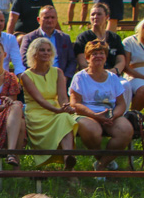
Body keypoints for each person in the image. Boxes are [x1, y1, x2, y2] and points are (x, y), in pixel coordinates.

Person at [69, 40, 133, 171]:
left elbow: (121, 103)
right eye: (94, 54)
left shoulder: (112, 77)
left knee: (126, 130)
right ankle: (102, 159)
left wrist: (113, 116)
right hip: (86, 113)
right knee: (93, 131)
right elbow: (75, 103)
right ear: (87, 58)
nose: (98, 56)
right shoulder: (80, 77)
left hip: (110, 114)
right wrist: (95, 115)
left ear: (106, 57)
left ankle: (102, 165)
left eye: (101, 53)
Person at [20, 37, 79, 168]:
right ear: (34, 53)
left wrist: (66, 107)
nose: (46, 53)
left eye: (48, 50)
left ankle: (68, 159)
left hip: (56, 110)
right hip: (37, 113)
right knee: (62, 117)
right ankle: (67, 161)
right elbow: (39, 100)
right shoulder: (26, 76)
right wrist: (57, 111)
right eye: (42, 50)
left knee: (65, 118)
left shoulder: (58, 72)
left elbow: (63, 97)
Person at [19, 6, 77, 81]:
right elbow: (24, 60)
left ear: (57, 19)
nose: (50, 20)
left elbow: (72, 61)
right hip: (36, 79)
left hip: (61, 79)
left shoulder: (64, 38)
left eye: (53, 17)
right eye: (46, 18)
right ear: (38, 20)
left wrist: (65, 77)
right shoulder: (29, 38)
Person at [73, 2, 126, 75]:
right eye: (93, 14)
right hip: (91, 75)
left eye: (99, 14)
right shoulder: (83, 37)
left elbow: (121, 60)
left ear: (107, 17)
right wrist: (99, 74)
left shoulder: (114, 38)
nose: (95, 17)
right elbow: (82, 63)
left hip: (112, 75)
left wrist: (114, 71)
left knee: (125, 85)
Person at [123, 20, 144, 111]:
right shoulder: (129, 42)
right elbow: (126, 67)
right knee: (143, 90)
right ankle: (134, 116)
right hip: (134, 77)